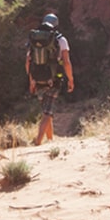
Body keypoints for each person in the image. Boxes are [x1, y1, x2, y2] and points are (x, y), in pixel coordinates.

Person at [26, 13, 74, 145]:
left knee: (46, 110)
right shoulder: (60, 39)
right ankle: (38, 141)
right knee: (48, 112)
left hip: (37, 78)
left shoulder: (33, 38)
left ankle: (50, 140)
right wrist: (71, 79)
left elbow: (28, 62)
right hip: (54, 79)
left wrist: (31, 81)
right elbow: (66, 62)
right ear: (56, 25)